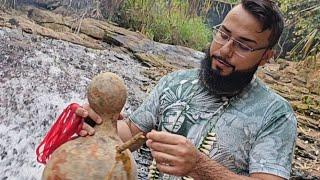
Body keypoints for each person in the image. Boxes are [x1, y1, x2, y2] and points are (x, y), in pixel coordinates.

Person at [75, 0, 297, 179]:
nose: (225, 50)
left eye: (243, 45)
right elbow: (133, 132)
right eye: (224, 34)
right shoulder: (175, 83)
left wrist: (199, 166)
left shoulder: (276, 115)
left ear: (266, 57)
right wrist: (100, 123)